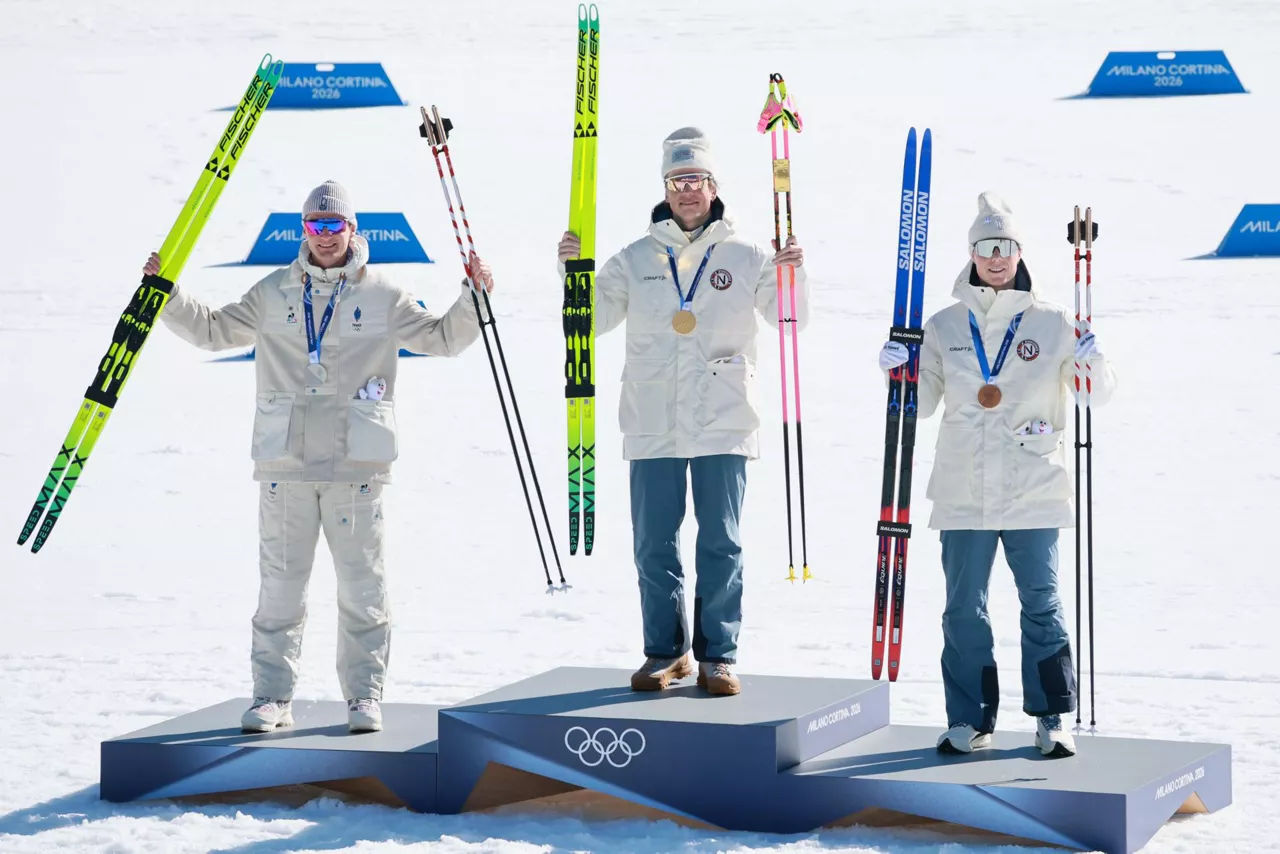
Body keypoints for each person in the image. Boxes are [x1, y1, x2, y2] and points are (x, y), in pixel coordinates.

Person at [143, 180, 492, 733]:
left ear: (353, 230)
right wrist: (166, 292)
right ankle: (271, 698)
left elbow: (443, 339)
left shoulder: (383, 295)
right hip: (285, 469)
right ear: (303, 230)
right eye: (315, 225)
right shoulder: (274, 291)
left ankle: (362, 697)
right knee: (279, 588)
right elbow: (212, 331)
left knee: (362, 588)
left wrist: (474, 296)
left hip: (357, 470)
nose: (325, 236)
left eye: (335, 225)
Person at [557, 127, 809, 696]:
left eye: (696, 181)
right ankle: (666, 654)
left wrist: (793, 273)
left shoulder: (748, 256)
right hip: (653, 420)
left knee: (721, 539)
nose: (687, 192)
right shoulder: (634, 259)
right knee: (654, 542)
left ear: (713, 187)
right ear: (666, 189)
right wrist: (573, 275)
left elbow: (789, 319)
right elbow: (588, 323)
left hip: (724, 418)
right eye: (677, 182)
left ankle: (718, 654)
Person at [879, 192, 1116, 757]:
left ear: (1018, 252)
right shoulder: (942, 325)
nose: (995, 257)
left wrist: (1094, 359)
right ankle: (969, 719)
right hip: (963, 489)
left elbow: (1095, 395)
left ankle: (1052, 717)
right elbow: (924, 403)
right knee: (964, 607)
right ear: (971, 254)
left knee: (1043, 603)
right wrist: (901, 373)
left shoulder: (1055, 321)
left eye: (1004, 246)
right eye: (985, 247)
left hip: (1033, 487)